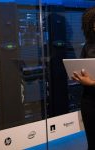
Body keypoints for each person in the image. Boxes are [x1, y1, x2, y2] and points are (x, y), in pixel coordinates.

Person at [72, 7, 95, 150]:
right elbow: (81, 68)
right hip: (89, 101)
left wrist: (92, 82)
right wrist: (78, 77)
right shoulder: (88, 46)